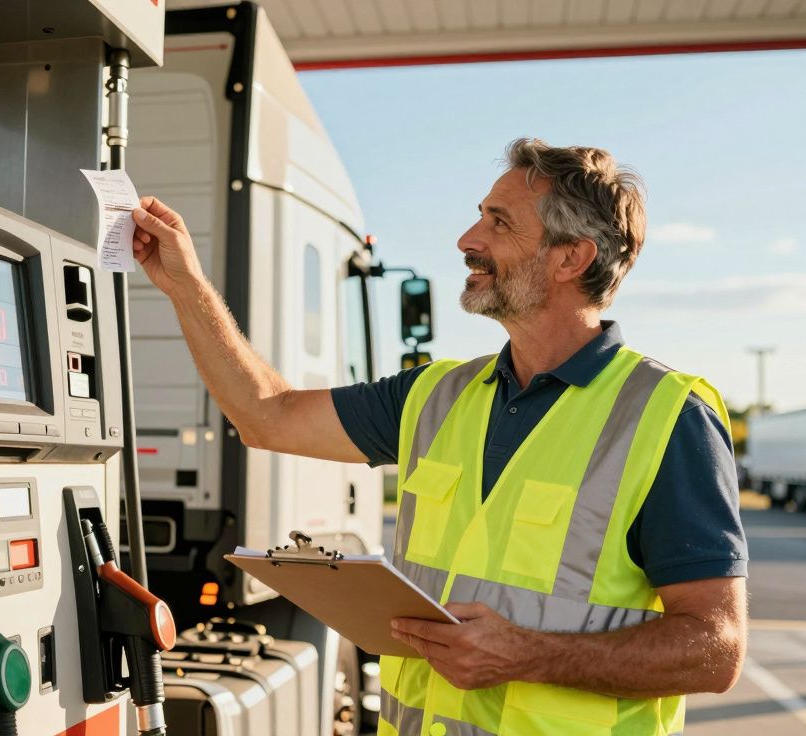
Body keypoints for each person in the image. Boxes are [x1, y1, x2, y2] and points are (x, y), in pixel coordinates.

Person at [130, 138, 747, 735]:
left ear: (570, 258)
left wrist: (530, 655)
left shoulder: (669, 417)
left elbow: (715, 650)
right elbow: (266, 415)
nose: (466, 240)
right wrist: (185, 284)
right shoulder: (434, 395)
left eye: (498, 224)